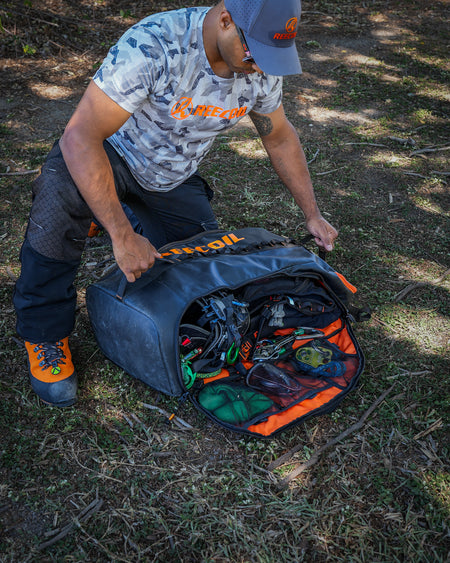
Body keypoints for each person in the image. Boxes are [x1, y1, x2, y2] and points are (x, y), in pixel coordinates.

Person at [13, 0, 338, 407]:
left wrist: (312, 214)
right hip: (109, 155)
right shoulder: (156, 44)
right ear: (226, 20)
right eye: (254, 53)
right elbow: (79, 137)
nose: (259, 67)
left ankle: (111, 210)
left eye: (270, 57)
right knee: (59, 196)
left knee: (205, 273)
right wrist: (122, 236)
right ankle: (45, 333)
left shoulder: (259, 65)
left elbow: (279, 137)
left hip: (171, 177)